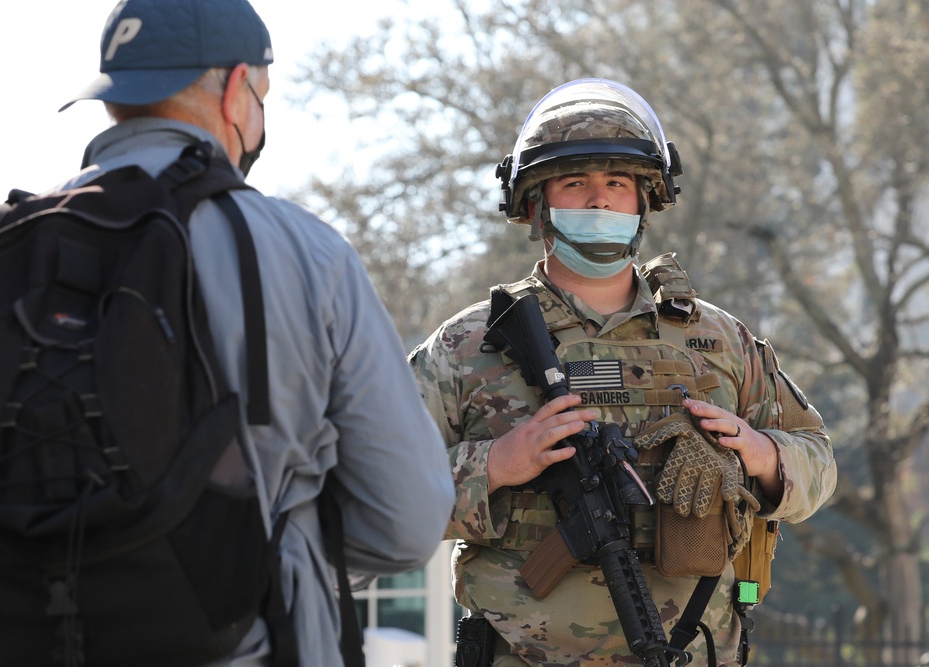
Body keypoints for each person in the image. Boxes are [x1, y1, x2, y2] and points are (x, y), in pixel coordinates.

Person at [46, 0, 455, 664]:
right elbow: (407, 521)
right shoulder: (308, 255)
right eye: (262, 94)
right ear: (238, 91)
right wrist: (286, 548)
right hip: (255, 639)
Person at [409, 78, 836, 666]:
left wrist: (760, 454)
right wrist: (496, 466)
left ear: (645, 201)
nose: (600, 201)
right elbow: (382, 491)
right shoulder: (468, 345)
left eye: (617, 184)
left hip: (691, 648)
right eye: (575, 183)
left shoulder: (719, 341)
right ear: (537, 202)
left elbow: (819, 459)